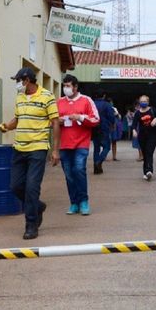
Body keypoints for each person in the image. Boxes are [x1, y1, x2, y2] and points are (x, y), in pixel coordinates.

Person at [0, 67, 60, 240]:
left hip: (38, 148)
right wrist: (6, 126)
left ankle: (31, 224)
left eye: (18, 81)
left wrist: (55, 150)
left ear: (26, 80)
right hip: (19, 148)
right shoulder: (20, 97)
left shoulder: (47, 96)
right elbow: (18, 119)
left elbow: (55, 122)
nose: (17, 84)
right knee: (15, 186)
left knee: (32, 187)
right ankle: (38, 206)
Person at [57, 75, 99, 215]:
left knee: (79, 170)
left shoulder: (86, 100)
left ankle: (83, 201)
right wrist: (58, 122)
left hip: (81, 143)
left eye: (68, 86)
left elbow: (95, 119)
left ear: (75, 87)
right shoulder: (59, 102)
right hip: (64, 144)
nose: (65, 88)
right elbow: (51, 121)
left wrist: (80, 117)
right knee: (69, 174)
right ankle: (74, 202)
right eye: (64, 85)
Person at [131, 95, 156, 181]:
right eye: (141, 101)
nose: (143, 103)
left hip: (153, 135)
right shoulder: (138, 113)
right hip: (142, 136)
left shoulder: (153, 110)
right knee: (145, 154)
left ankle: (149, 171)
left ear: (148, 102)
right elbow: (134, 124)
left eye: (145, 101)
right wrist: (134, 131)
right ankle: (145, 172)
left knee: (149, 152)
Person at [92, 91, 115, 174]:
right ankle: (99, 161)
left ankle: (96, 168)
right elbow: (111, 117)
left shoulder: (92, 104)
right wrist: (112, 124)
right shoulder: (107, 105)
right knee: (107, 147)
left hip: (94, 127)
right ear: (104, 96)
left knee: (96, 148)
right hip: (104, 128)